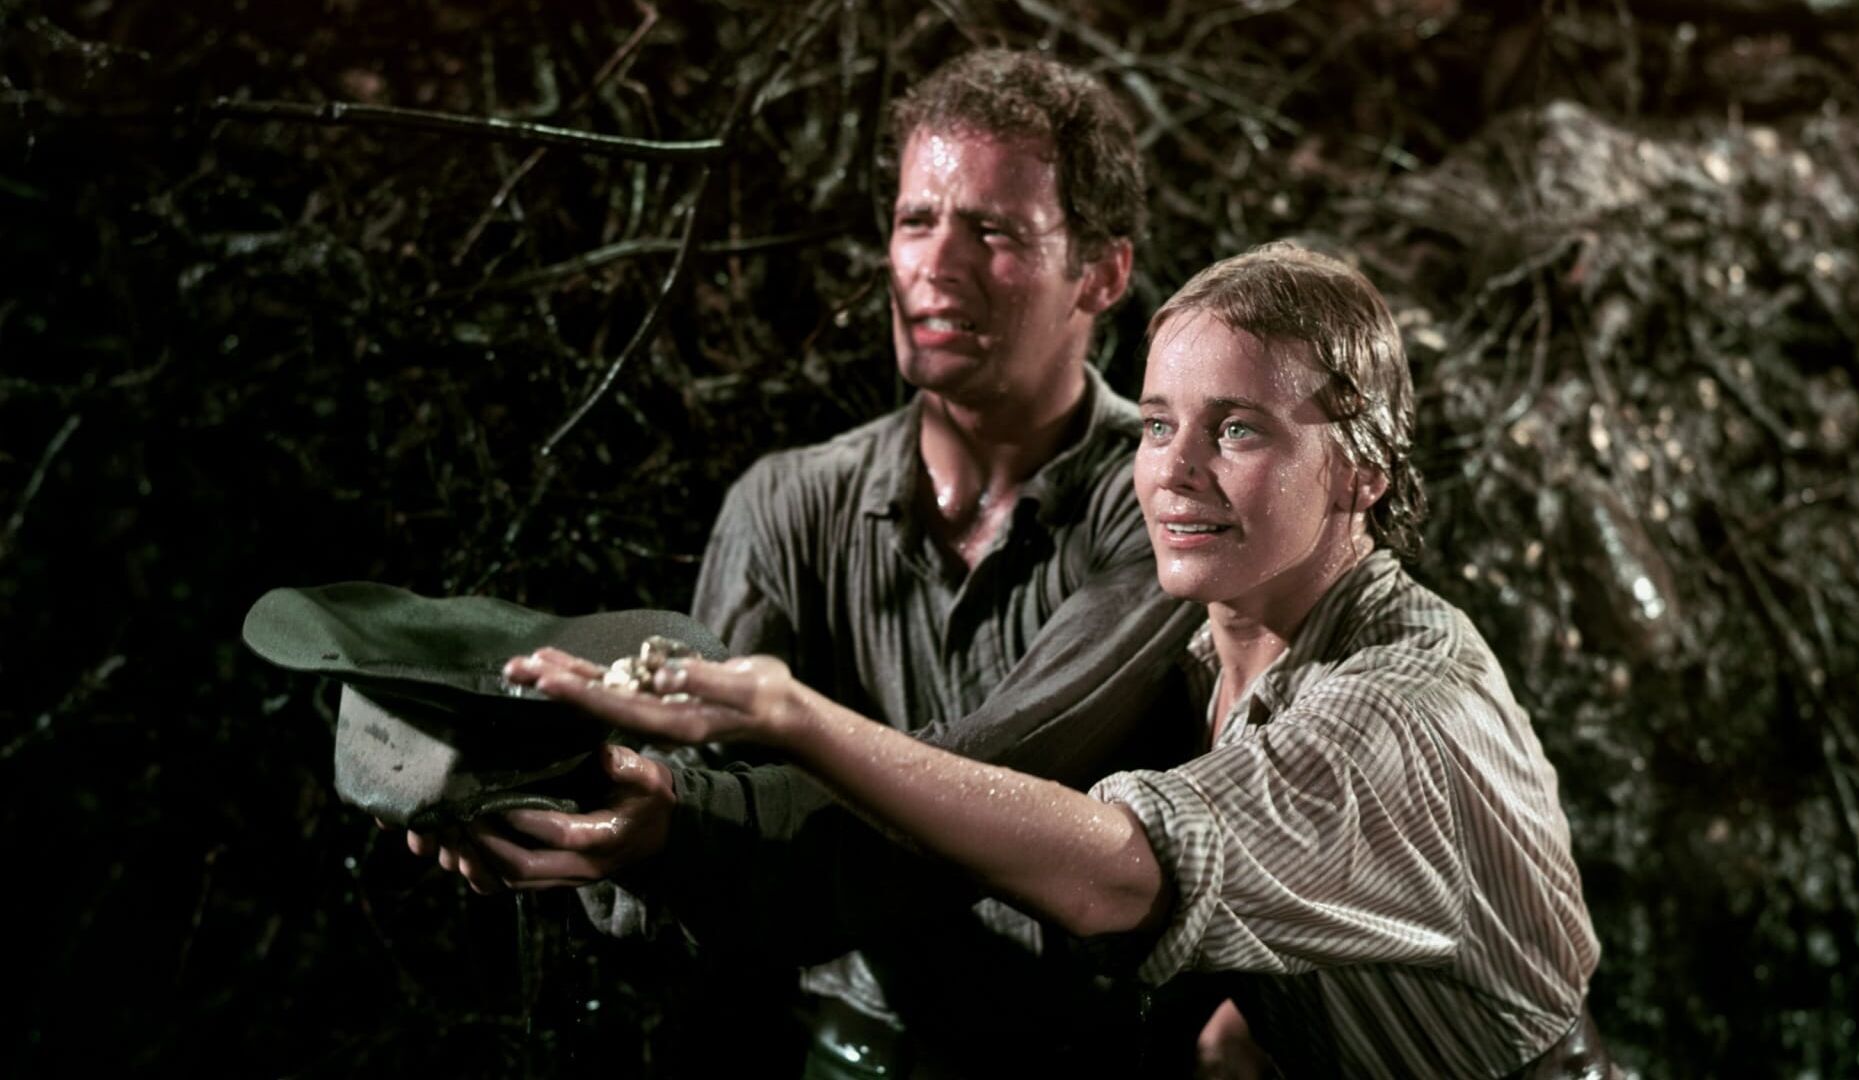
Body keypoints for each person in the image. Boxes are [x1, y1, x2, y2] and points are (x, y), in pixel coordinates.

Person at [506, 242, 1611, 1077]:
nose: (1174, 471)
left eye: (1237, 430)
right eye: (1159, 425)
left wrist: (791, 717)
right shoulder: (1205, 641)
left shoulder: (1397, 703)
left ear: (1364, 470)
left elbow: (1117, 874)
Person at [412, 49, 1216, 1075]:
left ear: (1102, 272)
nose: (936, 262)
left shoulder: (1165, 505)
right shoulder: (787, 505)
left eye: (993, 231)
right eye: (916, 220)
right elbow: (690, 789)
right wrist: (573, 803)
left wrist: (680, 826)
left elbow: (1000, 776)